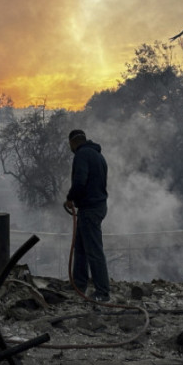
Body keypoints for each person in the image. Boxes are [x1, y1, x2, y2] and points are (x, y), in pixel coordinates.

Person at [63, 129, 110, 302]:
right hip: (96, 206)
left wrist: (70, 198)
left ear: (73, 142)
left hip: (90, 209)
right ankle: (79, 283)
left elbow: (80, 181)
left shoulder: (81, 155)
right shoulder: (99, 156)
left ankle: (103, 292)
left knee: (94, 251)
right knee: (81, 248)